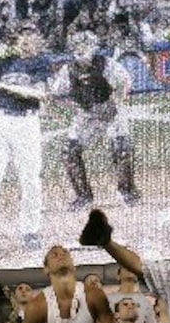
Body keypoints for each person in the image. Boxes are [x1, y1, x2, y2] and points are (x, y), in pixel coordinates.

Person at [0, 24, 52, 261]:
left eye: (31, 35)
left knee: (30, 180)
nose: (26, 40)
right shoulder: (4, 61)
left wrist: (21, 90)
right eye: (23, 35)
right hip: (0, 123)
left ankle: (30, 231)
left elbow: (39, 92)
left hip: (27, 125)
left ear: (37, 40)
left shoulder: (41, 63)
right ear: (16, 40)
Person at [48, 29, 141, 209]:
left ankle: (128, 192)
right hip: (87, 115)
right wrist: (51, 98)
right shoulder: (68, 70)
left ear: (92, 47)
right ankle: (83, 196)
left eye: (84, 45)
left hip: (110, 108)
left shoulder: (106, 64)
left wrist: (115, 103)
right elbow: (56, 94)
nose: (79, 49)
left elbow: (125, 82)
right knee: (69, 152)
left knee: (122, 148)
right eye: (76, 46)